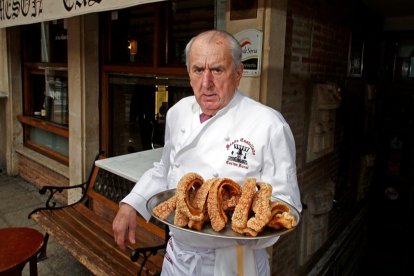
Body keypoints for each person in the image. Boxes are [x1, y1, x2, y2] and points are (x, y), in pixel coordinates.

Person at [112, 29, 302, 276]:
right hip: (177, 257)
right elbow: (165, 169)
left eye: (218, 70)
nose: (206, 83)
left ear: (238, 73)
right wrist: (132, 204)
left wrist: (244, 229)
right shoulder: (177, 112)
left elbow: (285, 206)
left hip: (233, 263)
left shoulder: (269, 124)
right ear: (189, 73)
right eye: (198, 70)